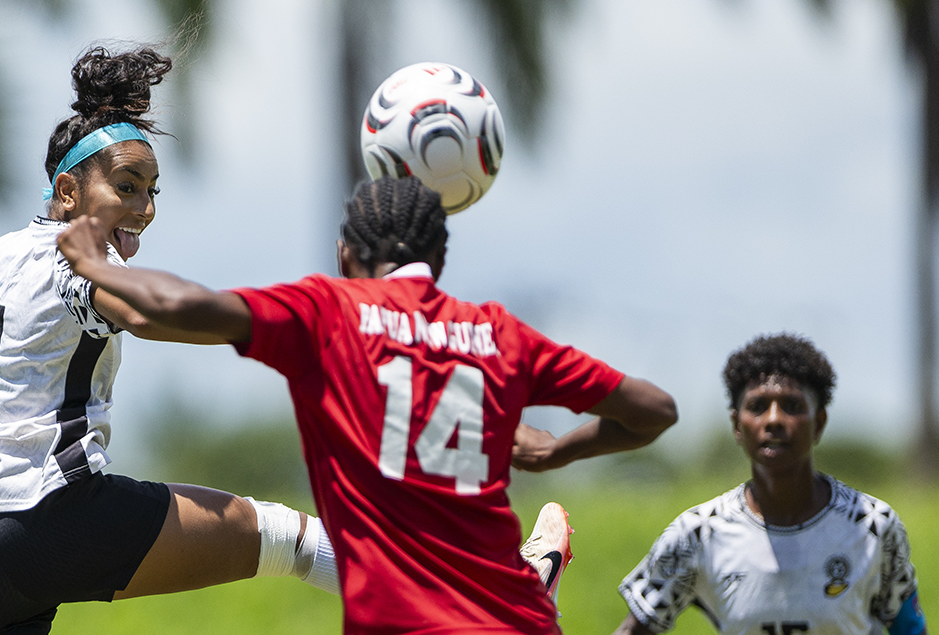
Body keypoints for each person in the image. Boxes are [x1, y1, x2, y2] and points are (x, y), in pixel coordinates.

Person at [0, 45, 339, 635]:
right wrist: (292, 325)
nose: (144, 208)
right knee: (284, 536)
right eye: (127, 186)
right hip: (53, 516)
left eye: (152, 191)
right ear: (69, 191)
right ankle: (430, 596)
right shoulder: (79, 263)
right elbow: (146, 314)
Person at [56, 175, 680, 634]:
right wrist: (557, 450)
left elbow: (182, 304)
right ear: (439, 261)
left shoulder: (330, 313)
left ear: (344, 256)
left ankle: (536, 570)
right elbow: (654, 409)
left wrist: (93, 262)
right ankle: (531, 573)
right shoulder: (498, 333)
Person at [614, 333, 928, 635]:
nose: (774, 419)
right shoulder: (698, 534)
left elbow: (910, 629)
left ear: (818, 423)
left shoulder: (871, 525)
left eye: (792, 406)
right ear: (737, 425)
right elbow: (634, 629)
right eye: (757, 406)